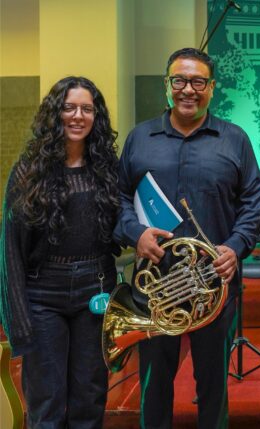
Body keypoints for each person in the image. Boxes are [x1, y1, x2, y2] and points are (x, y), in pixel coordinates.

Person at [113, 47, 260, 428]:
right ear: (167, 85)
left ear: (212, 88)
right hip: (154, 289)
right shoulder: (139, 138)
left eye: (198, 82)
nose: (188, 90)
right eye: (179, 80)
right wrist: (136, 233)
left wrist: (235, 246)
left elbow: (254, 201)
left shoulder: (235, 139)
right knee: (154, 387)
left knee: (213, 388)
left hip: (214, 288)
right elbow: (116, 197)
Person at [0, 76, 120, 428]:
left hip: (96, 292)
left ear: (96, 116)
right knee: (47, 403)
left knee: (89, 399)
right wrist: (18, 321)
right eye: (69, 107)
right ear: (55, 113)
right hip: (43, 297)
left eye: (87, 109)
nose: (78, 116)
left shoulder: (107, 168)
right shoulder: (29, 171)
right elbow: (10, 250)